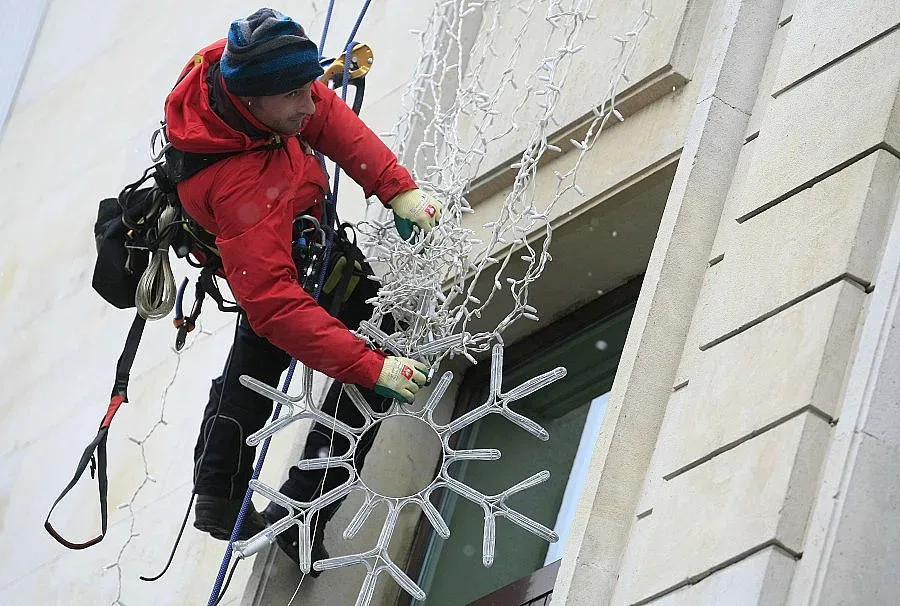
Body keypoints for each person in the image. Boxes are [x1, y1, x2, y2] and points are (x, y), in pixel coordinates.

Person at [162, 8, 442, 571]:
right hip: (278, 255)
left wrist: (395, 187)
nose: (309, 104)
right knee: (339, 352)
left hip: (297, 233)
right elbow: (274, 306)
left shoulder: (247, 77)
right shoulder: (238, 185)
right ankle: (275, 503)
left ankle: (232, 490)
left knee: (259, 365)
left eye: (305, 86)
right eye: (294, 95)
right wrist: (371, 368)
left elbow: (326, 114)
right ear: (255, 101)